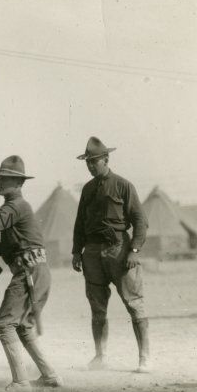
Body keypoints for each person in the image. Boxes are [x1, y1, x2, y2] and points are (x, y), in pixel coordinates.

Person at [0, 156, 63, 392]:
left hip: (29, 273)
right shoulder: (16, 207)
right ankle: (50, 376)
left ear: (18, 183)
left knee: (4, 324)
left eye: (5, 178)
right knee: (24, 327)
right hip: (35, 271)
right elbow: (13, 244)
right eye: (0, 178)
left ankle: (21, 382)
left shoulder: (15, 206)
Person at [71, 137, 150, 373]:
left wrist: (134, 250)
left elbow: (140, 221)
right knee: (97, 308)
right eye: (88, 162)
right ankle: (100, 356)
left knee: (134, 304)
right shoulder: (87, 189)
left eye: (94, 161)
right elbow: (79, 223)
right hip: (92, 253)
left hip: (119, 250)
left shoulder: (124, 185)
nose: (90, 166)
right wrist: (77, 251)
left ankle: (144, 358)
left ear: (106, 160)